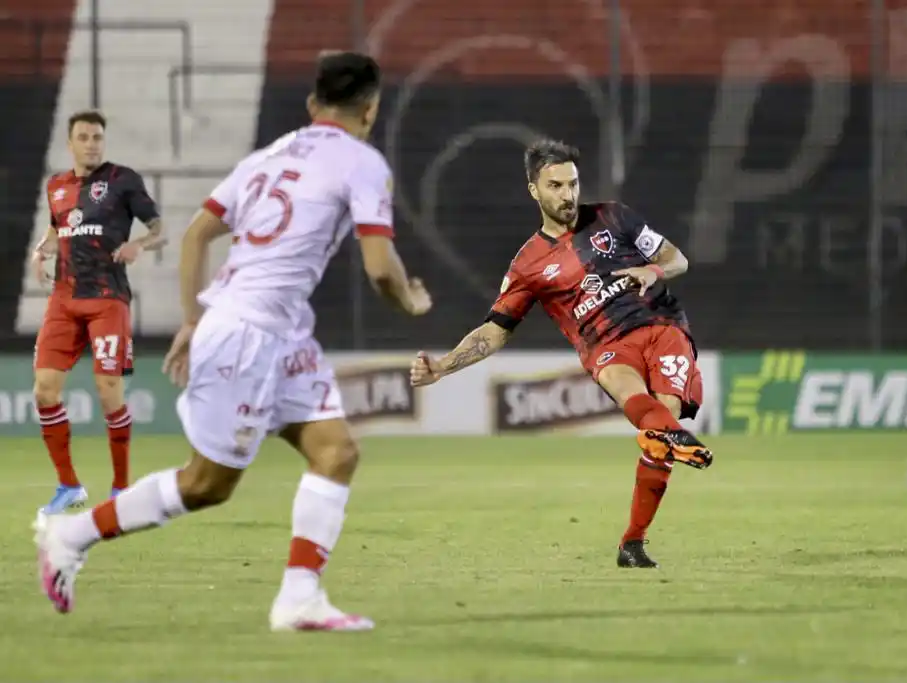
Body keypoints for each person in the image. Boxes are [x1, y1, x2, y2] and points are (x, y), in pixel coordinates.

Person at [34, 51, 432, 631]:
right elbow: (379, 266)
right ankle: (71, 534)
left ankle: (299, 596)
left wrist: (195, 320)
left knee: (336, 452)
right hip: (250, 332)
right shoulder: (363, 162)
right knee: (206, 485)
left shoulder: (270, 154)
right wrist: (410, 300)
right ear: (370, 111)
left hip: (276, 328)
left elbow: (197, 234)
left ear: (312, 104)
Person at [410, 139, 712, 569]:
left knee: (658, 432)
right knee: (631, 396)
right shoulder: (528, 265)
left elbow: (676, 257)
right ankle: (669, 441)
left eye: (572, 183)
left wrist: (652, 269)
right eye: (555, 186)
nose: (568, 195)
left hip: (662, 325)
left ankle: (633, 541)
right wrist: (441, 367)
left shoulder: (613, 215)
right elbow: (494, 332)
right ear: (534, 189)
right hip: (606, 345)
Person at [31, 110, 165, 514]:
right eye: (84, 137)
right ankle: (68, 485)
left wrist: (140, 244)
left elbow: (160, 228)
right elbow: (58, 229)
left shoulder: (122, 180)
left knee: (109, 394)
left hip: (107, 298)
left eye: (97, 137)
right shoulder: (56, 185)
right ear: (70, 143)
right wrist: (43, 249)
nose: (91, 143)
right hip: (64, 299)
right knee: (44, 392)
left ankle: (121, 489)